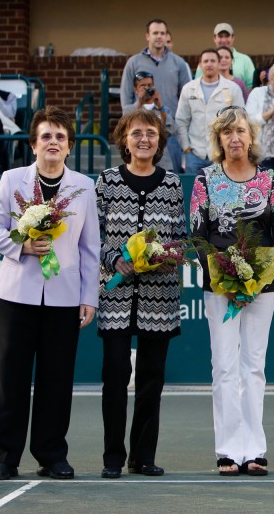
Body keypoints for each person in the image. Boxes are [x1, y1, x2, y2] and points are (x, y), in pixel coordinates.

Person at [0, 106, 99, 480]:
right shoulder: (12, 179)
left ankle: (51, 454)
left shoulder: (83, 187)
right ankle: (3, 455)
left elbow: (90, 249)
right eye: (46, 136)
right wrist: (22, 246)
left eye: (60, 137)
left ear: (69, 147)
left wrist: (89, 297)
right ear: (33, 145)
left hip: (64, 298)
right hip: (16, 295)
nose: (53, 142)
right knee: (10, 376)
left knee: (57, 378)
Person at [190, 107, 274, 476]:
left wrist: (254, 279)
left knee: (254, 366)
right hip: (219, 287)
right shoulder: (205, 179)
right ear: (218, 139)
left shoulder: (271, 179)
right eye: (227, 132)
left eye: (241, 131)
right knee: (224, 366)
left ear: (251, 137)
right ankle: (228, 450)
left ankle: (254, 450)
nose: (235, 138)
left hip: (263, 287)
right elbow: (198, 234)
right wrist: (225, 278)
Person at [95, 109, 185, 479]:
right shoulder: (107, 181)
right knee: (115, 377)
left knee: (152, 379)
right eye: (136, 133)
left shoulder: (172, 184)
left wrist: (168, 257)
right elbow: (92, 237)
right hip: (116, 298)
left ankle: (143, 457)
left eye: (151, 133)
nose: (144, 139)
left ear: (160, 141)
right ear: (124, 140)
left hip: (159, 299)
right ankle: (113, 457)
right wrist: (114, 257)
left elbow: (181, 237)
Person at [121, 19, 192, 172]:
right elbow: (125, 97)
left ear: (167, 36)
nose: (159, 37)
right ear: (147, 36)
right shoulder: (133, 62)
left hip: (169, 132)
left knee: (171, 177)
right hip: (141, 132)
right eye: (155, 33)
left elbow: (187, 98)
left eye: (162, 33)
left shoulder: (178, 63)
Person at [176, 49, 245, 175]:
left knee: (221, 192)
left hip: (223, 153)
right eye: (205, 61)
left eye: (213, 61)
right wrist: (186, 148)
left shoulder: (233, 89)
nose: (209, 64)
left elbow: (241, 121)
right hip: (194, 154)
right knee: (193, 193)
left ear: (219, 63)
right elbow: (181, 120)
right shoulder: (188, 89)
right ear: (200, 65)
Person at [195, 23, 255, 88]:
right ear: (214, 38)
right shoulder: (206, 61)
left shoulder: (245, 60)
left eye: (227, 36)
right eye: (220, 36)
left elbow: (251, 86)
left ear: (233, 37)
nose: (223, 40)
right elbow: (197, 85)